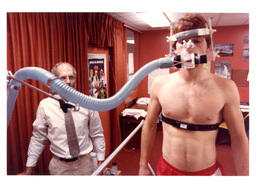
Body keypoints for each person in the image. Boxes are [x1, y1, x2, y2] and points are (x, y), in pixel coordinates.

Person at [139, 13, 249, 176]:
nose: (188, 47)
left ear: (208, 46)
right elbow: (149, 125)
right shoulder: (160, 84)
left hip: (206, 173)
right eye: (182, 42)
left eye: (196, 41)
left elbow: (239, 138)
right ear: (174, 48)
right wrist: (142, 166)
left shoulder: (226, 88)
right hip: (167, 171)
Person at [19, 62, 105, 175]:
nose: (68, 81)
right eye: (63, 78)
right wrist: (28, 170)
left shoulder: (87, 102)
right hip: (59, 167)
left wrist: (101, 162)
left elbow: (97, 134)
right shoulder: (45, 105)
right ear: (55, 81)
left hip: (85, 164)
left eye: (71, 77)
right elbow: (38, 139)